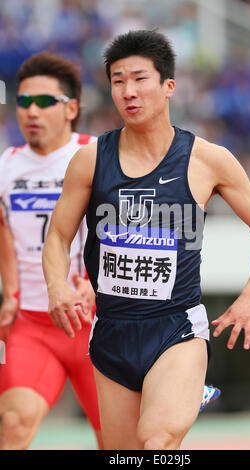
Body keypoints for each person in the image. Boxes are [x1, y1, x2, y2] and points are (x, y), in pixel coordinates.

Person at [42, 30, 250, 450]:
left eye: (140, 79)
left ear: (168, 86)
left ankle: (188, 389)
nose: (128, 92)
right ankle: (190, 397)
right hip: (112, 331)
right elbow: (59, 235)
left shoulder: (207, 159)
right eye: (118, 81)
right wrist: (57, 286)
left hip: (177, 329)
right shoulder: (90, 160)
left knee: (157, 441)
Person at [0, 52, 103, 450]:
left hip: (97, 326)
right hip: (32, 326)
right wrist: (10, 291)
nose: (31, 111)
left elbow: (127, 228)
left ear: (71, 108)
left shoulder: (98, 154)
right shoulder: (8, 165)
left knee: (120, 444)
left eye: (45, 102)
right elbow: (4, 227)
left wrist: (96, 282)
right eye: (24, 102)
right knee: (12, 424)